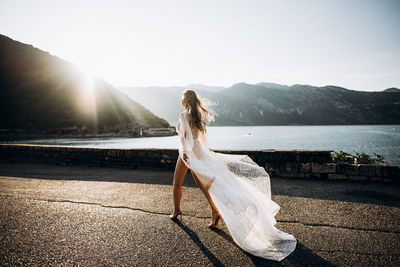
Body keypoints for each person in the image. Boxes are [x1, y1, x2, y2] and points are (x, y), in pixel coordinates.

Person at [170, 89, 297, 261]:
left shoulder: (183, 115)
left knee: (177, 183)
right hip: (200, 151)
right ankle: (215, 212)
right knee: (205, 185)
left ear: (185, 101)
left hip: (188, 153)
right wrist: (208, 153)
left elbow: (183, 139)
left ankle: (177, 210)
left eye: (182, 99)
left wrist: (185, 153)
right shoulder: (199, 115)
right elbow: (202, 139)